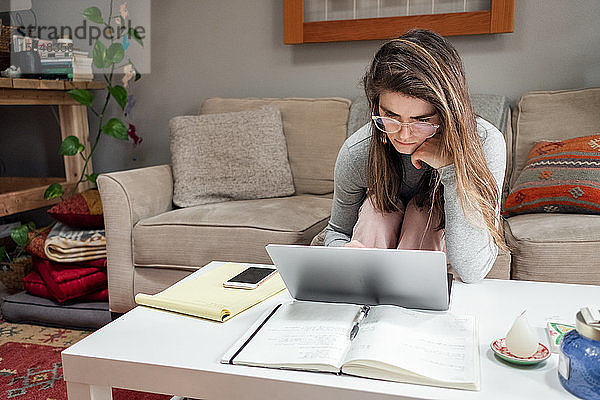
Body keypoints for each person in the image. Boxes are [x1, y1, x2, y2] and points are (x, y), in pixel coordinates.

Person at [324, 29, 507, 283]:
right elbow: (337, 231)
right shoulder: (358, 152)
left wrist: (451, 169)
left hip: (436, 255)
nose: (404, 135)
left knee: (424, 214)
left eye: (421, 121)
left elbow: (473, 270)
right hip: (370, 266)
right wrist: (341, 254)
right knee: (378, 212)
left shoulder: (485, 143)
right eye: (390, 116)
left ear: (447, 113)